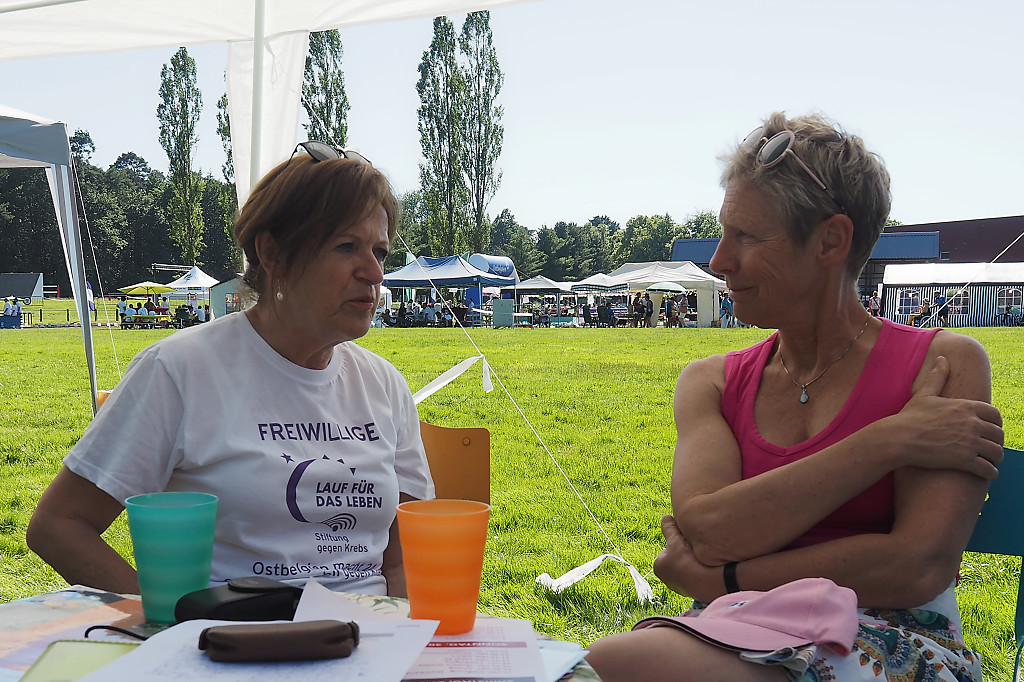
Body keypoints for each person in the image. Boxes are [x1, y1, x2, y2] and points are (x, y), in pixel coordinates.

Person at [586, 113, 1003, 682]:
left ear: (831, 240)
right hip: (739, 626)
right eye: (723, 232)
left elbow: (918, 567)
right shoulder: (711, 380)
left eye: (747, 236)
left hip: (897, 638)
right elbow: (707, 527)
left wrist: (722, 579)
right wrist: (887, 441)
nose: (719, 262)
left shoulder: (944, 363)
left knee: (614, 666)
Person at [27, 141, 435, 598]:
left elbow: (403, 556)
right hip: (234, 643)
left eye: (379, 252)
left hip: (367, 645)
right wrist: (168, 622)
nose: (374, 272)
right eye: (346, 246)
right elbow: (59, 525)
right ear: (272, 253)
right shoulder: (179, 370)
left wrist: (404, 643)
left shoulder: (383, 384)